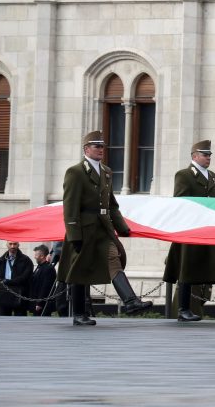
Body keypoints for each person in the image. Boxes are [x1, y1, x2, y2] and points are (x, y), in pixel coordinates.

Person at [57, 131, 153, 325]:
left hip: (103, 228)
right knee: (79, 271)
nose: (101, 149)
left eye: (102, 146)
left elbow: (111, 205)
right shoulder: (75, 172)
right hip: (83, 229)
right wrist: (74, 234)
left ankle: (130, 301)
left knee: (113, 259)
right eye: (96, 146)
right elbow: (70, 206)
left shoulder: (106, 172)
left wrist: (122, 227)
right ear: (86, 149)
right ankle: (78, 314)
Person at [162, 140, 215, 322]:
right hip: (192, 227)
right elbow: (181, 202)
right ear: (194, 156)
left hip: (212, 228)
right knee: (187, 267)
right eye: (204, 154)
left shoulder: (213, 177)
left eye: (209, 155)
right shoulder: (184, 175)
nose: (208, 158)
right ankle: (183, 309)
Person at [0, 241, 33, 316]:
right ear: (7, 245)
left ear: (18, 245)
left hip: (19, 294)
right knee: (3, 320)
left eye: (15, 244)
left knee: (20, 320)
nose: (12, 246)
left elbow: (25, 277)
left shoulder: (26, 260)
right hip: (3, 294)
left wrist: (8, 281)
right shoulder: (0, 260)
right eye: (10, 244)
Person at [29, 245, 58, 316]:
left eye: (36, 255)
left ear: (42, 256)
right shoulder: (40, 267)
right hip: (36, 301)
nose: (34, 257)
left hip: (42, 304)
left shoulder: (48, 269)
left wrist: (40, 303)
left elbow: (45, 288)